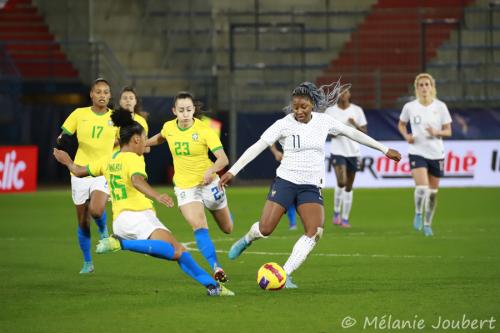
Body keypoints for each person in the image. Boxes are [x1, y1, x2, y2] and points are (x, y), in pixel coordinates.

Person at [219, 81, 401, 288]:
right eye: (295, 107)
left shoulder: (324, 121)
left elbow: (353, 133)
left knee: (315, 231)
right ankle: (248, 239)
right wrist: (233, 171)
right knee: (266, 229)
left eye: (303, 107)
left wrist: (384, 149)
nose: (299, 111)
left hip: (311, 186)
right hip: (286, 182)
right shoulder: (283, 124)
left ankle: (285, 274)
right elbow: (257, 147)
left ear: (312, 105)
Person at [53, 108, 234, 296]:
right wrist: (157, 196)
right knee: (173, 250)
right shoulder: (133, 158)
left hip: (121, 220)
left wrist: (67, 162)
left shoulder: (108, 159)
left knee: (178, 250)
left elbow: (77, 170)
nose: (146, 146)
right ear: (136, 139)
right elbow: (137, 180)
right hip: (137, 215)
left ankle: (213, 287)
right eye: (144, 139)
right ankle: (120, 243)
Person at [146, 91, 233, 282]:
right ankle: (216, 267)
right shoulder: (169, 127)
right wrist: (143, 144)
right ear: (174, 111)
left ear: (193, 109)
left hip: (209, 184)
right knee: (198, 224)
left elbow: (223, 159)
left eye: (188, 109)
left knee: (228, 228)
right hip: (186, 188)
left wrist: (211, 171)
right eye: (181, 110)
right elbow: (161, 137)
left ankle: (213, 207)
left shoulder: (204, 130)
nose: (185, 114)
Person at [56, 78, 117, 274]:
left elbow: (125, 141)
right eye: (98, 92)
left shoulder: (117, 118)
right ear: (91, 94)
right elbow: (64, 136)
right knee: (83, 222)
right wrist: (60, 147)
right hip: (79, 171)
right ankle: (87, 262)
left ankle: (104, 231)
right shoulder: (79, 114)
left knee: (97, 210)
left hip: (102, 171)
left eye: (106, 92)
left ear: (110, 96)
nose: (102, 95)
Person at [398, 73, 452, 237]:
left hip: (436, 153)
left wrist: (437, 132)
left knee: (433, 194)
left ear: (432, 87)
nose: (424, 88)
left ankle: (428, 224)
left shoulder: (441, 107)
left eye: (427, 84)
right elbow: (401, 124)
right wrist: (406, 136)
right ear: (416, 88)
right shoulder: (410, 107)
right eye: (420, 85)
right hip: (417, 152)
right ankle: (418, 213)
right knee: (421, 187)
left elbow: (449, 131)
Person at [325, 87, 367, 228]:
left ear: (350, 94)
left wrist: (354, 124)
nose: (343, 94)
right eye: (340, 92)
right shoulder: (330, 111)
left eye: (346, 91)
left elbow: (365, 132)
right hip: (338, 151)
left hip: (353, 152)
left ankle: (345, 218)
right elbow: (326, 131)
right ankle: (336, 212)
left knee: (349, 186)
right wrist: (335, 132)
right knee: (341, 182)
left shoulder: (357, 110)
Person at [270, 143, 298, 230]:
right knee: (288, 195)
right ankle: (293, 223)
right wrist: (275, 152)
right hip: (286, 165)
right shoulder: (283, 129)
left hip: (303, 166)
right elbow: (270, 139)